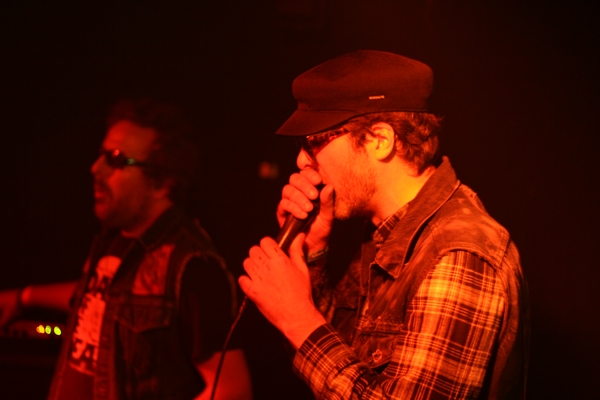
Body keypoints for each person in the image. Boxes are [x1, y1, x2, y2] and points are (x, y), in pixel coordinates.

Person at [239, 50, 529, 399]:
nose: (302, 159)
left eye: (313, 141)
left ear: (380, 140)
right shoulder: (385, 233)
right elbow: (345, 366)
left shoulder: (457, 253)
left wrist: (297, 320)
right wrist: (313, 253)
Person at [0, 99, 253, 400]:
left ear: (161, 183)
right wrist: (24, 297)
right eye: (101, 155)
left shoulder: (193, 267)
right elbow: (98, 299)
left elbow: (232, 389)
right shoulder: (116, 235)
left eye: (116, 159)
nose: (96, 168)